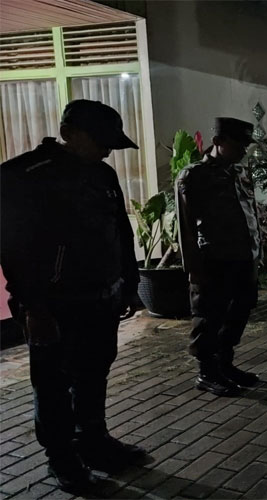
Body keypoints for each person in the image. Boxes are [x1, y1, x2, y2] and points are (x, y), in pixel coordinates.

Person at [0, 99, 147, 493]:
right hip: (53, 306)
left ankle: (94, 441)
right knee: (52, 385)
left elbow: (120, 232)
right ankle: (62, 458)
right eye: (100, 141)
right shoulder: (24, 177)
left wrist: (128, 285)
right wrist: (35, 309)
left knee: (94, 373)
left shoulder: (101, 173)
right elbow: (15, 252)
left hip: (101, 298)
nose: (108, 150)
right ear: (68, 134)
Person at [175, 117, 261, 397]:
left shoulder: (239, 172)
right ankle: (207, 372)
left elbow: (251, 215)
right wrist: (193, 268)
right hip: (214, 260)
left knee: (237, 314)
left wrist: (256, 254)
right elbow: (186, 227)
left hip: (243, 257)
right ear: (218, 142)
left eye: (246, 145)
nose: (244, 150)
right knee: (209, 318)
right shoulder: (194, 175)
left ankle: (225, 365)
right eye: (238, 145)